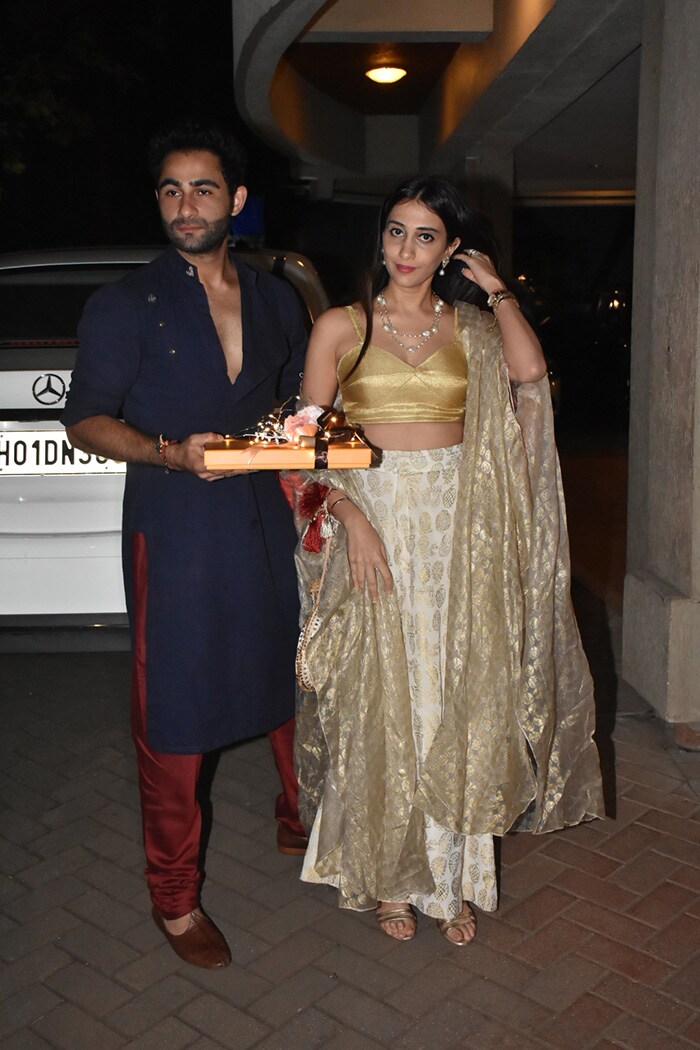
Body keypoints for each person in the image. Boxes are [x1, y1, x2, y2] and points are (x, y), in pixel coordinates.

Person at [293, 176, 604, 945]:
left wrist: (498, 291)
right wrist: (348, 514)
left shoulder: (471, 326)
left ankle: (452, 876)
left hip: (460, 531)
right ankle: (389, 875)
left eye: (425, 236)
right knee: (382, 697)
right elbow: (301, 450)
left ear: (451, 248)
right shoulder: (341, 325)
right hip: (375, 521)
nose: (405, 250)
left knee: (455, 694)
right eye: (395, 232)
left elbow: (531, 378)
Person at [62, 120, 308, 969]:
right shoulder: (125, 304)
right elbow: (87, 418)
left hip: (266, 519)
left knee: (293, 667)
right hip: (174, 527)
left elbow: (292, 409)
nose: (185, 205)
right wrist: (169, 451)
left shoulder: (278, 298)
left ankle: (299, 815)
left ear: (236, 200)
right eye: (170, 189)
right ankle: (173, 897)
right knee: (172, 709)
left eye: (203, 188)